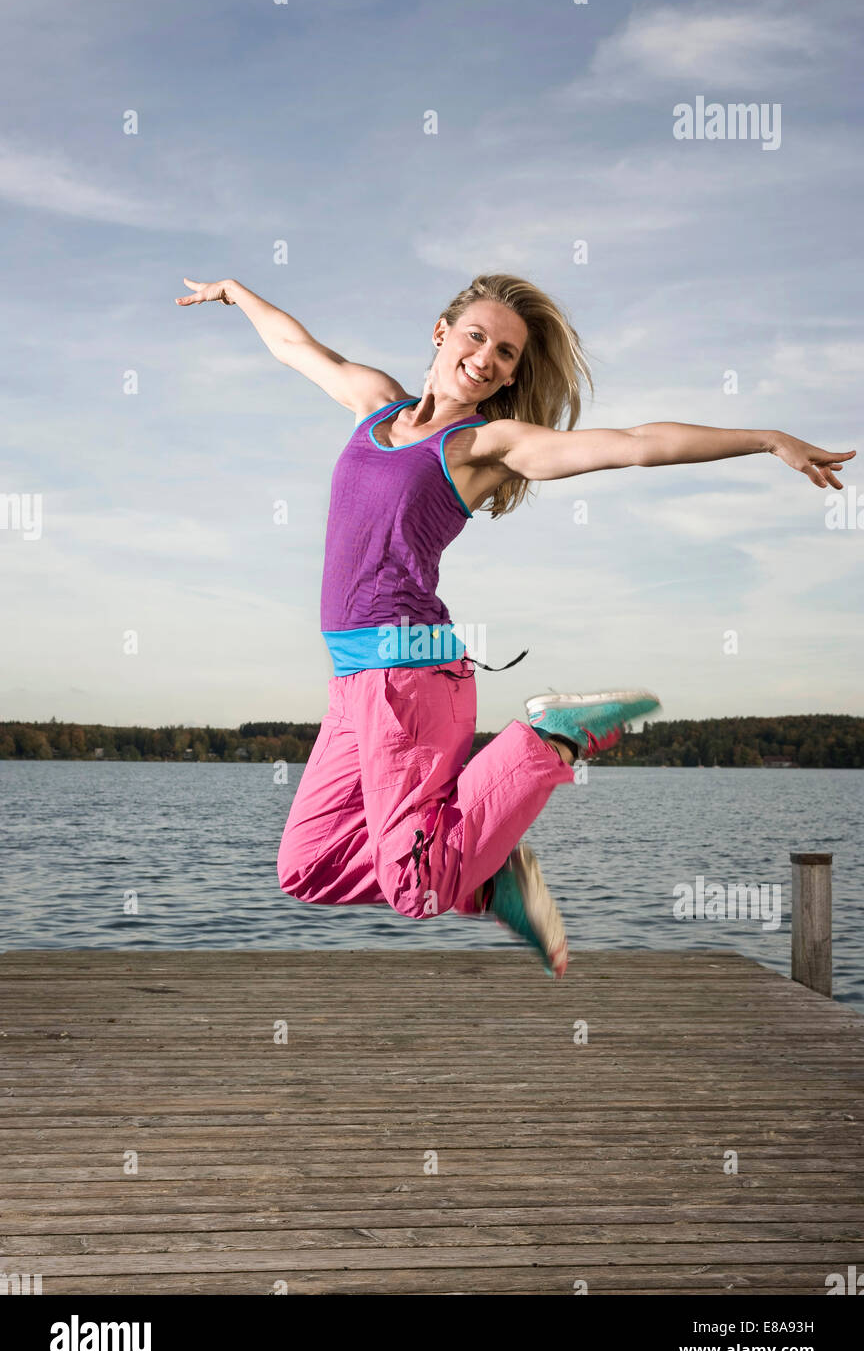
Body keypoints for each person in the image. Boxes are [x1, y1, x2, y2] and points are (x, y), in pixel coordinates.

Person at [176, 273, 854, 978]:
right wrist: (235, 294)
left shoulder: (486, 446)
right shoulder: (375, 403)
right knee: (307, 867)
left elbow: (634, 442)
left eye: (506, 353)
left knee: (415, 887)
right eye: (478, 336)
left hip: (409, 676)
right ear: (442, 332)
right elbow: (297, 347)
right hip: (356, 684)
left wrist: (766, 439)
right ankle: (486, 875)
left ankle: (548, 738)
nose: (488, 358)